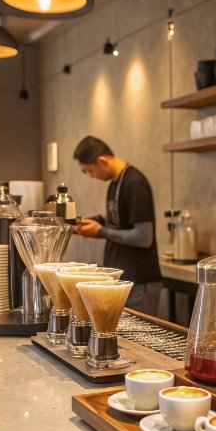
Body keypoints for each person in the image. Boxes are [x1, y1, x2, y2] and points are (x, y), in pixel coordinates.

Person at [73, 135, 163, 315]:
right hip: (123, 280)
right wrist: (88, 222)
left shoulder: (134, 182)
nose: (91, 177)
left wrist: (100, 232)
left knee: (135, 340)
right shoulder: (114, 184)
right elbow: (119, 221)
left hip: (139, 282)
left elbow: (144, 237)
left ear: (102, 161)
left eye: (90, 171)